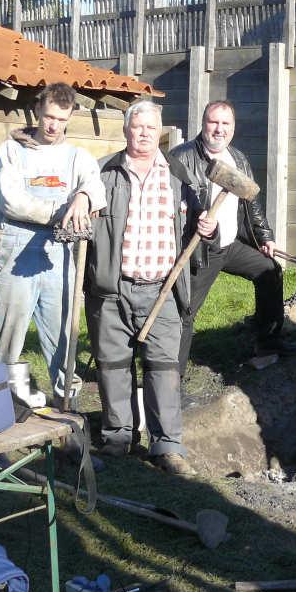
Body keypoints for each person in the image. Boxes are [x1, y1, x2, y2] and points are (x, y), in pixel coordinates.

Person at [84, 100, 216, 476]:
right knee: (112, 366)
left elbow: (197, 227)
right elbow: (84, 220)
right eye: (136, 127)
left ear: (160, 131)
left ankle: (167, 446)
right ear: (126, 130)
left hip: (163, 289)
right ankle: (118, 436)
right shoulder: (103, 173)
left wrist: (204, 229)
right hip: (111, 289)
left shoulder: (180, 174)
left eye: (149, 127)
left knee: (163, 367)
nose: (143, 134)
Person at [0, 82, 104, 407]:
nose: (53, 125)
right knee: (7, 336)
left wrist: (83, 195)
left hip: (61, 257)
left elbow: (96, 186)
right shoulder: (12, 150)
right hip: (18, 251)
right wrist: (64, 212)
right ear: (38, 109)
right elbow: (13, 202)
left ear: (70, 118)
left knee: (64, 338)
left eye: (62, 119)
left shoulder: (77, 157)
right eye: (49, 116)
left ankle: (68, 417)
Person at [171, 99, 295, 376]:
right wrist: (193, 223)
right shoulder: (181, 158)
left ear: (233, 128)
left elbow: (251, 202)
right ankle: (171, 377)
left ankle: (268, 346)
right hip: (200, 248)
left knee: (270, 271)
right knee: (185, 310)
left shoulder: (237, 159)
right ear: (203, 124)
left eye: (225, 123)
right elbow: (169, 206)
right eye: (213, 122)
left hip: (230, 244)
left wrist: (265, 236)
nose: (219, 129)